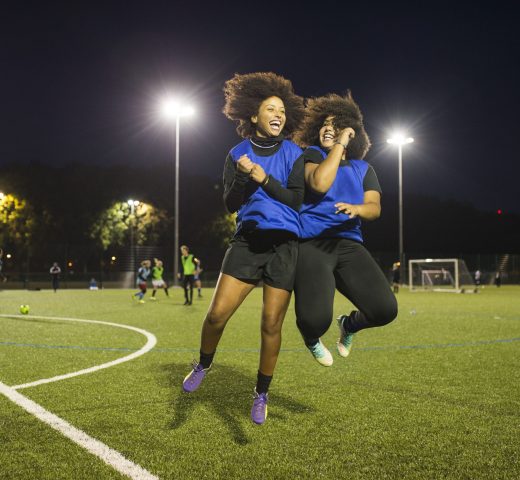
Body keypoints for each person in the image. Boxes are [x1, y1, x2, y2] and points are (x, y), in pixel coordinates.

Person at [182, 72, 305, 425]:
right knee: (217, 314)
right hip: (248, 242)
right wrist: (243, 178)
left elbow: (296, 200)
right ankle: (203, 364)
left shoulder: (294, 153)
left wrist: (262, 178)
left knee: (270, 324)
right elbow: (229, 203)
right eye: (271, 108)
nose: (278, 114)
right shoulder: (237, 153)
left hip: (284, 246)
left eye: (282, 109)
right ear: (254, 115)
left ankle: (261, 393)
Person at [293, 91, 398, 367]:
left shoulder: (363, 168)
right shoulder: (310, 156)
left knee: (385, 310)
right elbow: (319, 184)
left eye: (335, 124)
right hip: (313, 244)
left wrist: (358, 209)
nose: (328, 128)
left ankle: (349, 325)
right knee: (314, 320)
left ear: (351, 131)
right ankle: (312, 338)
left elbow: (374, 207)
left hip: (349, 244)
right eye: (324, 124)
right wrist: (338, 145)